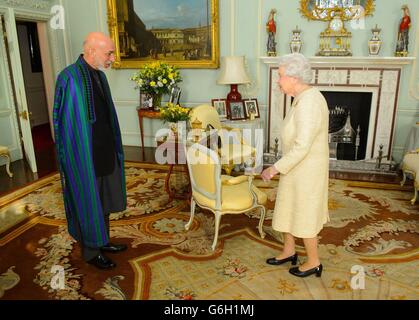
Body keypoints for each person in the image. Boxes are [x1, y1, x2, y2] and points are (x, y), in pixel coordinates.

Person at [53, 32, 127, 270]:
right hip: (84, 156)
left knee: (103, 199)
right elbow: (66, 125)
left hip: (104, 149)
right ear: (92, 51)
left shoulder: (99, 76)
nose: (113, 58)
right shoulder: (69, 78)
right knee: (88, 201)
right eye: (109, 53)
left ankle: (102, 240)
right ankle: (91, 252)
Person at [261, 53, 329, 278]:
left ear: (293, 77)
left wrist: (274, 168)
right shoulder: (300, 97)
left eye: (280, 76)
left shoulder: (309, 102)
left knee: (305, 214)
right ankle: (289, 251)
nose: (278, 81)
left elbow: (302, 146)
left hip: (307, 171)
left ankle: (313, 262)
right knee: (289, 207)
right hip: (296, 168)